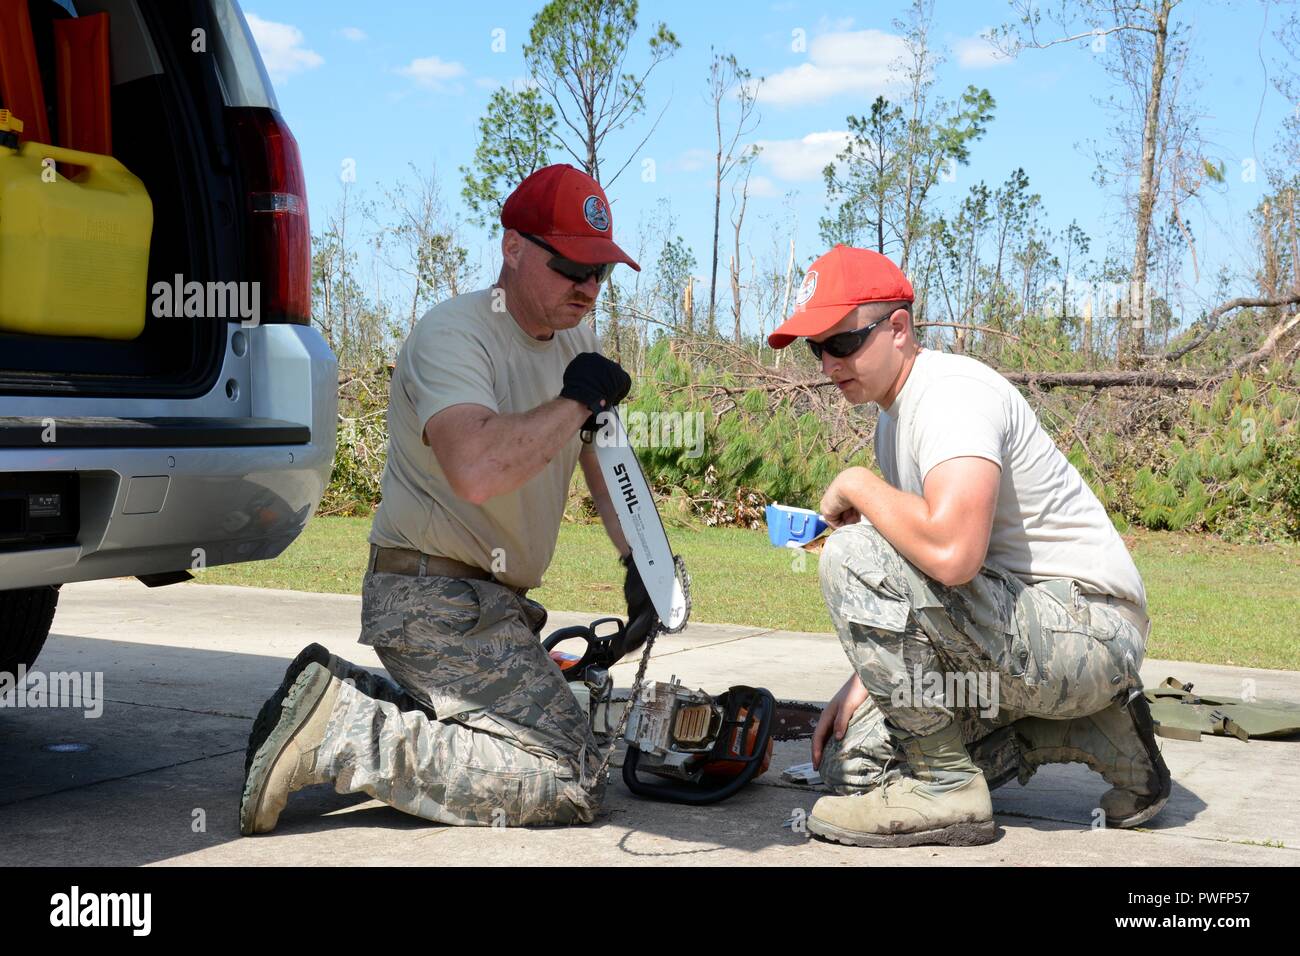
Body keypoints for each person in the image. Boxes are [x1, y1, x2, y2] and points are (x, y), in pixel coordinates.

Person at [239, 164, 652, 834]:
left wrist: (643, 563)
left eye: (599, 271)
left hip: (496, 607)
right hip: (432, 603)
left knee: (587, 737)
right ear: (512, 248)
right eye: (570, 266)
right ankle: (343, 730)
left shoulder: (577, 339)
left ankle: (338, 695)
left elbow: (604, 458)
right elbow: (478, 469)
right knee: (571, 777)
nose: (587, 287)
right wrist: (577, 399)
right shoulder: (454, 334)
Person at [767, 244, 1170, 848]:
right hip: (1015, 632)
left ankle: (945, 785)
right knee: (853, 768)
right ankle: (1096, 732)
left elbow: (953, 555)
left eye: (841, 342)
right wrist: (867, 677)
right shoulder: (892, 419)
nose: (827, 364)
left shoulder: (950, 394)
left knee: (851, 551)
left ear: (897, 329)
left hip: (1088, 630)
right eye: (814, 348)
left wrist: (858, 487)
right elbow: (917, 578)